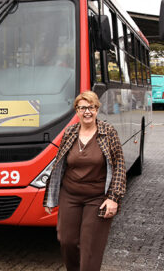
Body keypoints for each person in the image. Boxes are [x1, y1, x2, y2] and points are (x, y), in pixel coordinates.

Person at [43, 91, 126, 271]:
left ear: (97, 109)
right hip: (70, 195)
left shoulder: (108, 132)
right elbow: (59, 163)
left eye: (91, 107)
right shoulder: (70, 132)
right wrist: (50, 196)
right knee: (67, 242)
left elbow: (119, 165)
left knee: (90, 248)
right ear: (77, 111)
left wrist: (114, 198)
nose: (87, 111)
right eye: (82, 108)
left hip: (97, 198)